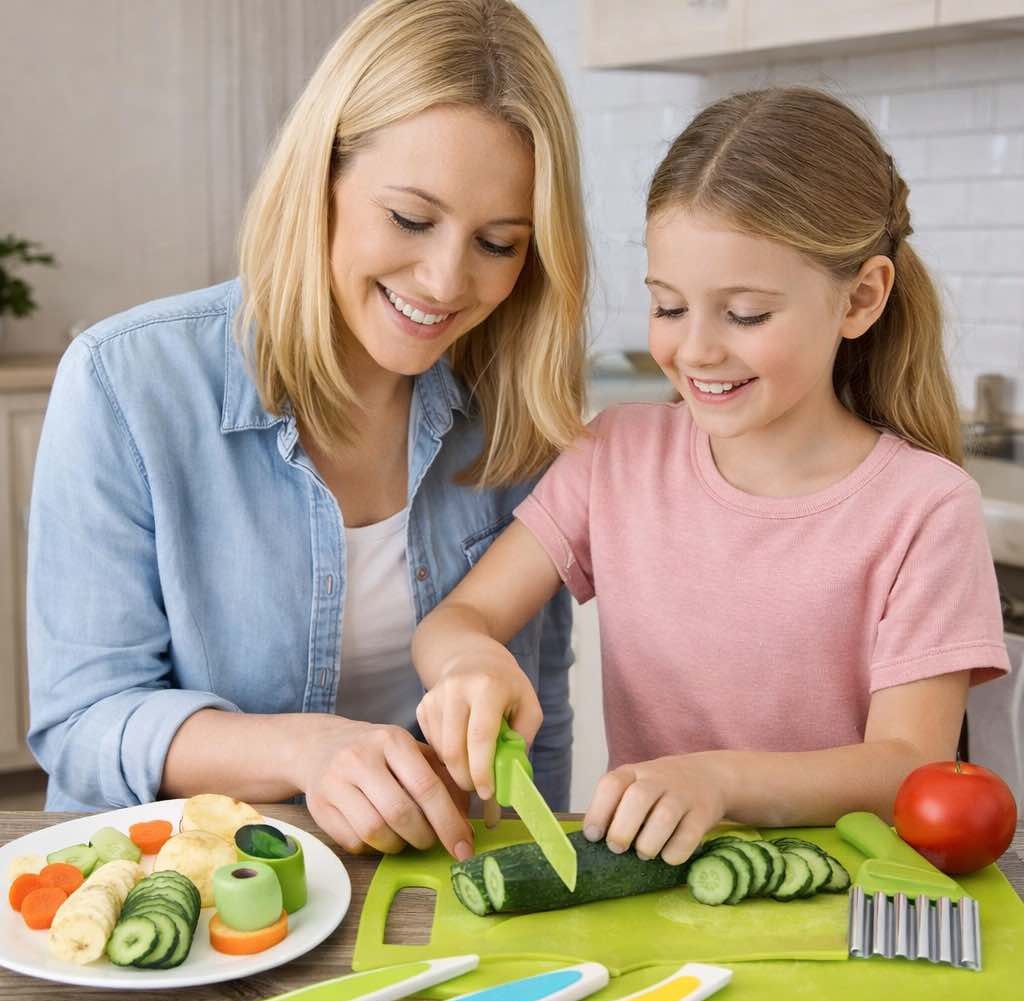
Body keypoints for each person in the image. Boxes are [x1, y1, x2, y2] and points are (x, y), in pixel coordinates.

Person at [26, 0, 588, 863]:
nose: (444, 280)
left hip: (429, 890)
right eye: (409, 219)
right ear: (318, 178)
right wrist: (305, 750)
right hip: (195, 889)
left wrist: (542, 883)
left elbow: (534, 715)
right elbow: (83, 723)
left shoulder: (517, 408)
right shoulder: (126, 383)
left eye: (499, 243)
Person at [411, 86, 1009, 865]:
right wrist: (470, 664)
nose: (695, 351)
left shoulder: (925, 509)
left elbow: (907, 764)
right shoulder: (615, 457)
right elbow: (457, 619)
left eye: (746, 314)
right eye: (668, 308)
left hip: (840, 902)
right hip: (652, 898)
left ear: (861, 299)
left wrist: (719, 782)